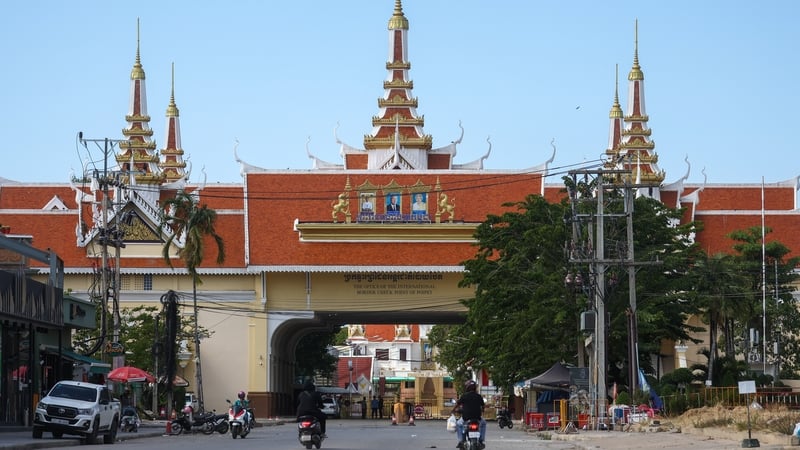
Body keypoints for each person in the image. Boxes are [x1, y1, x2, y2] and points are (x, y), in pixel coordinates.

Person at [453, 380, 486, 449]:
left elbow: (457, 404)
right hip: (477, 418)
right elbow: (483, 406)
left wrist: (453, 410)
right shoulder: (479, 396)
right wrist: (482, 410)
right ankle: (481, 440)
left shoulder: (464, 396)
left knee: (459, 424)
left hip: (466, 418)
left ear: (467, 388)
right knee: (483, 423)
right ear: (474, 388)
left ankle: (461, 441)